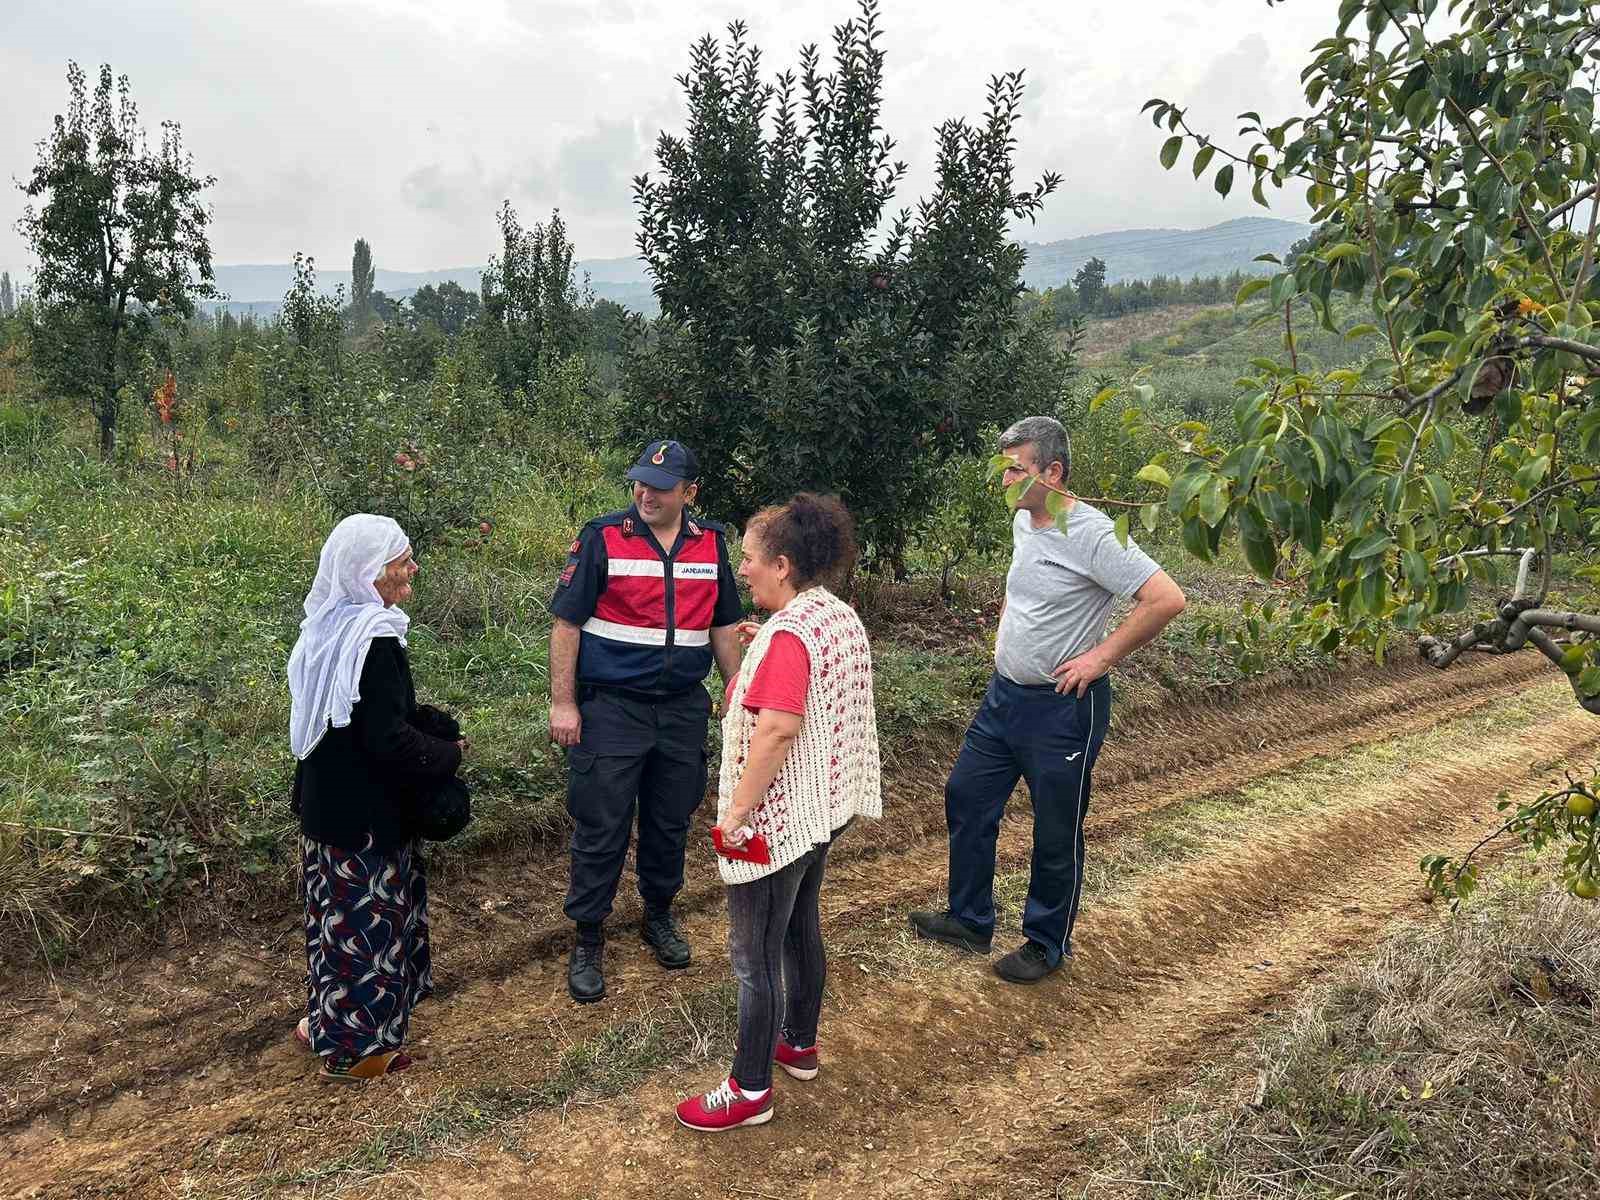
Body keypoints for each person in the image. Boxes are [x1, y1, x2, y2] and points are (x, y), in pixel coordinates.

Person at [910, 416, 1186, 983]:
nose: (1004, 480)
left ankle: (1044, 941)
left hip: (1063, 707)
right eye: (1003, 467)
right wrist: (1006, 635)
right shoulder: (1026, 521)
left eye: (1016, 469)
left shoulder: (1094, 533)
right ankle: (969, 919)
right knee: (967, 795)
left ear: (1053, 472)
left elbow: (1165, 598)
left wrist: (1100, 657)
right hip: (1004, 698)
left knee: (1056, 825)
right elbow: (1024, 589)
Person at [676, 494, 882, 1132]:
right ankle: (799, 1044)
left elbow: (777, 729)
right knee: (798, 928)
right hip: (826, 806)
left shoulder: (789, 637)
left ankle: (749, 1089)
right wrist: (766, 642)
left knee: (753, 955)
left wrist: (737, 812)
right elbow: (808, 680)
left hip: (780, 816)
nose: (745, 570)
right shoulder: (831, 614)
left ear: (783, 564)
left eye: (750, 560)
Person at [549, 439, 744, 1003]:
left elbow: (724, 625)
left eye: (659, 487)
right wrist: (564, 703)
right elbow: (566, 625)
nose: (645, 494)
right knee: (601, 825)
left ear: (690, 492)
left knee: (669, 821)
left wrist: (736, 691)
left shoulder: (711, 545)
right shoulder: (603, 537)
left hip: (682, 708)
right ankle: (588, 937)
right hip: (611, 708)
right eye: (639, 483)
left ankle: (658, 914)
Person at [287, 514, 466, 1082]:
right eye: (401, 560)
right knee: (368, 928)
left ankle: (324, 1019)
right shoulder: (374, 638)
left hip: (327, 808)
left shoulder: (327, 628)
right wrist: (448, 755)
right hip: (367, 816)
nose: (412, 568)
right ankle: (358, 1052)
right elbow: (386, 738)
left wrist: (427, 721)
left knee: (331, 924)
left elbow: (356, 715)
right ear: (369, 572)